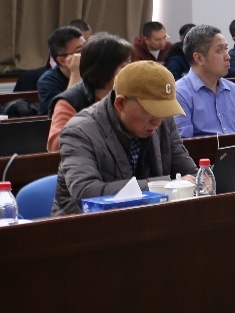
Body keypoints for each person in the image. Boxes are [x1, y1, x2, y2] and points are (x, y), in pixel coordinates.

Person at [52, 61, 196, 216]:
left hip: (148, 219)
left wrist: (193, 181)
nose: (158, 120)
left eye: (164, 110)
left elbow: (191, 174)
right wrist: (163, 185)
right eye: (151, 110)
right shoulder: (79, 132)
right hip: (86, 224)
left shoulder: (164, 121)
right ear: (120, 103)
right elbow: (87, 192)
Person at [47, 33, 132, 152]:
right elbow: (56, 147)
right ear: (103, 70)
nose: (130, 71)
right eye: (123, 66)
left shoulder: (131, 94)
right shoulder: (70, 101)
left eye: (130, 64)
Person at [174, 25, 235, 138]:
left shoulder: (233, 90)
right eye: (220, 50)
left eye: (226, 49)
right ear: (199, 58)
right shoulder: (180, 94)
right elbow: (183, 143)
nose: (228, 57)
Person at [36, 26, 86, 114]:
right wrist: (75, 72)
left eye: (87, 47)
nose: (87, 54)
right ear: (62, 60)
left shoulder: (93, 71)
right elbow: (62, 114)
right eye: (80, 51)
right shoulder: (47, 81)